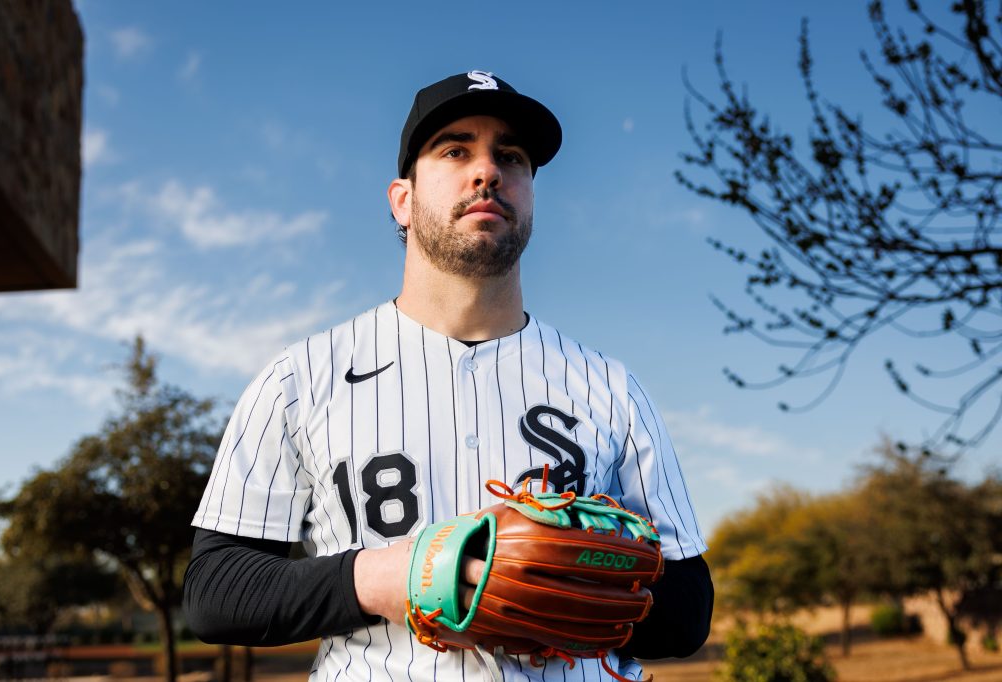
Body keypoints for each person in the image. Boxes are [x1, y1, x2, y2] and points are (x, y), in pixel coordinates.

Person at [183, 70, 714, 681]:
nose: (486, 170)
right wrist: (388, 577)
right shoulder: (299, 379)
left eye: (510, 156)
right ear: (402, 199)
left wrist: (558, 584)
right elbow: (216, 589)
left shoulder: (610, 387)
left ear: (531, 196)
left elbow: (688, 608)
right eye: (455, 150)